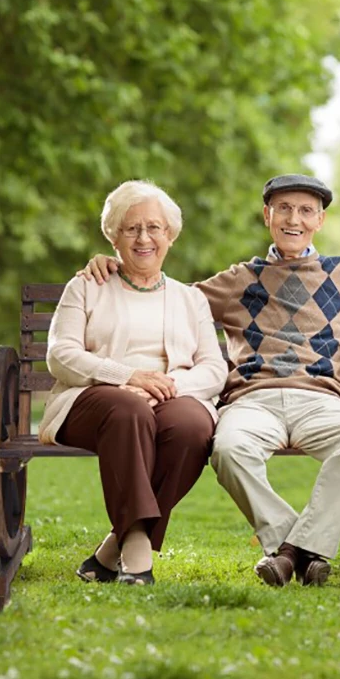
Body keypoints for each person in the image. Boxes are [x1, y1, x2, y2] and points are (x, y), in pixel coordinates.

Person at [80, 174, 340, 587]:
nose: (295, 219)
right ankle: (303, 547)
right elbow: (165, 295)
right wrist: (114, 266)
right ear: (267, 215)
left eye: (306, 211)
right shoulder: (240, 279)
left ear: (320, 220)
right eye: (284, 209)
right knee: (228, 449)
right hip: (253, 401)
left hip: (322, 400)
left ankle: (287, 552)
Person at [42, 180, 228, 585]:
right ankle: (139, 553)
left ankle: (117, 544)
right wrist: (125, 376)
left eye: (154, 228)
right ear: (114, 236)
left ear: (170, 236)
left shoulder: (189, 298)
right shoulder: (87, 286)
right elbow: (60, 354)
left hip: (168, 395)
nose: (144, 238)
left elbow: (214, 369)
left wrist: (165, 386)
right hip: (93, 400)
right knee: (129, 408)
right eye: (131, 229)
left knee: (194, 426)